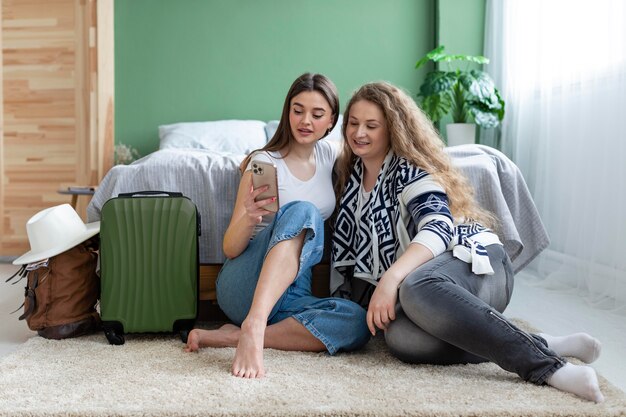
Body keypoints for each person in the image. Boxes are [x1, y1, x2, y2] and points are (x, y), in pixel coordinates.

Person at [330, 81, 604, 403]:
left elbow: (438, 227)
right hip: (438, 299)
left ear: (393, 129)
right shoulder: (351, 182)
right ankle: (540, 342)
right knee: (403, 339)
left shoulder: (410, 172)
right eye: (353, 123)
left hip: (481, 266)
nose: (359, 132)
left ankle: (549, 368)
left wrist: (390, 279)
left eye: (371, 125)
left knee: (415, 286)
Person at [184, 73, 370, 378]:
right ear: (287, 112)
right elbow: (230, 247)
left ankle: (232, 336)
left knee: (356, 321)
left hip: (294, 291)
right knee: (304, 211)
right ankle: (255, 323)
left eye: (317, 114)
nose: (305, 121)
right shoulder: (264, 162)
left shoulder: (331, 156)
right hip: (246, 283)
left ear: (332, 120)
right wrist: (248, 216)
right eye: (297, 110)